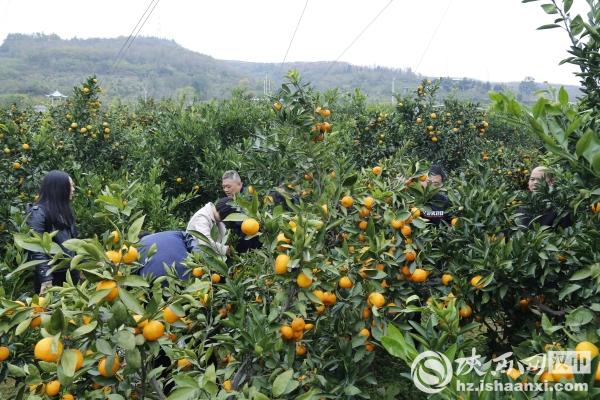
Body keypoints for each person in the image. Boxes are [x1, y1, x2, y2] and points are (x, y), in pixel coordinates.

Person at [26, 170, 78, 294]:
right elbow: (36, 248)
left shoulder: (64, 211)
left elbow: (75, 243)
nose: (73, 189)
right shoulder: (38, 212)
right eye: (70, 185)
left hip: (70, 273)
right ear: (59, 188)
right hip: (52, 276)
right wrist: (46, 277)